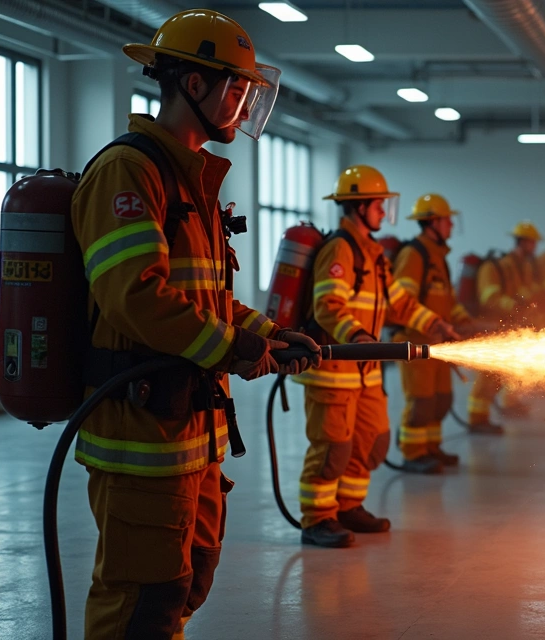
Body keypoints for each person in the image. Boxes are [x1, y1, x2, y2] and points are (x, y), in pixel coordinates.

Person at [72, 9, 320, 638]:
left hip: (191, 437)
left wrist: (266, 333)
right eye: (233, 89)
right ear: (191, 85)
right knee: (140, 603)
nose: (240, 104)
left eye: (244, 92)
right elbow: (137, 297)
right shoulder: (130, 172)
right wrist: (235, 349)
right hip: (140, 440)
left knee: (183, 586)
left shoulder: (195, 181)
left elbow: (207, 299)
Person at [292, 165, 458, 548]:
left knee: (372, 441)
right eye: (379, 204)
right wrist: (360, 339)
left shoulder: (375, 254)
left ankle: (349, 507)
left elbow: (398, 302)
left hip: (365, 373)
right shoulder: (340, 249)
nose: (384, 211)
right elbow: (328, 307)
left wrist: (436, 325)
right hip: (334, 371)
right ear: (358, 206)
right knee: (333, 447)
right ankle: (317, 519)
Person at [393, 193, 474, 474]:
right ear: (433, 223)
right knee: (421, 402)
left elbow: (448, 300)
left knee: (441, 400)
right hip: (415, 344)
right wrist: (433, 325)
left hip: (439, 344)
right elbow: (403, 302)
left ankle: (431, 447)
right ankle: (413, 453)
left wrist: (465, 323)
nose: (451, 225)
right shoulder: (414, 255)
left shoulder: (439, 258)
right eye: (447, 220)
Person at [466, 220, 542, 432]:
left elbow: (522, 292)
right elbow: (489, 297)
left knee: (497, 375)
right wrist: (514, 306)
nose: (535, 247)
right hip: (489, 326)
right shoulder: (497, 266)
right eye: (532, 242)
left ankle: (483, 417)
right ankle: (476, 419)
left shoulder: (522, 267)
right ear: (523, 242)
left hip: (506, 327)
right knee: (487, 375)